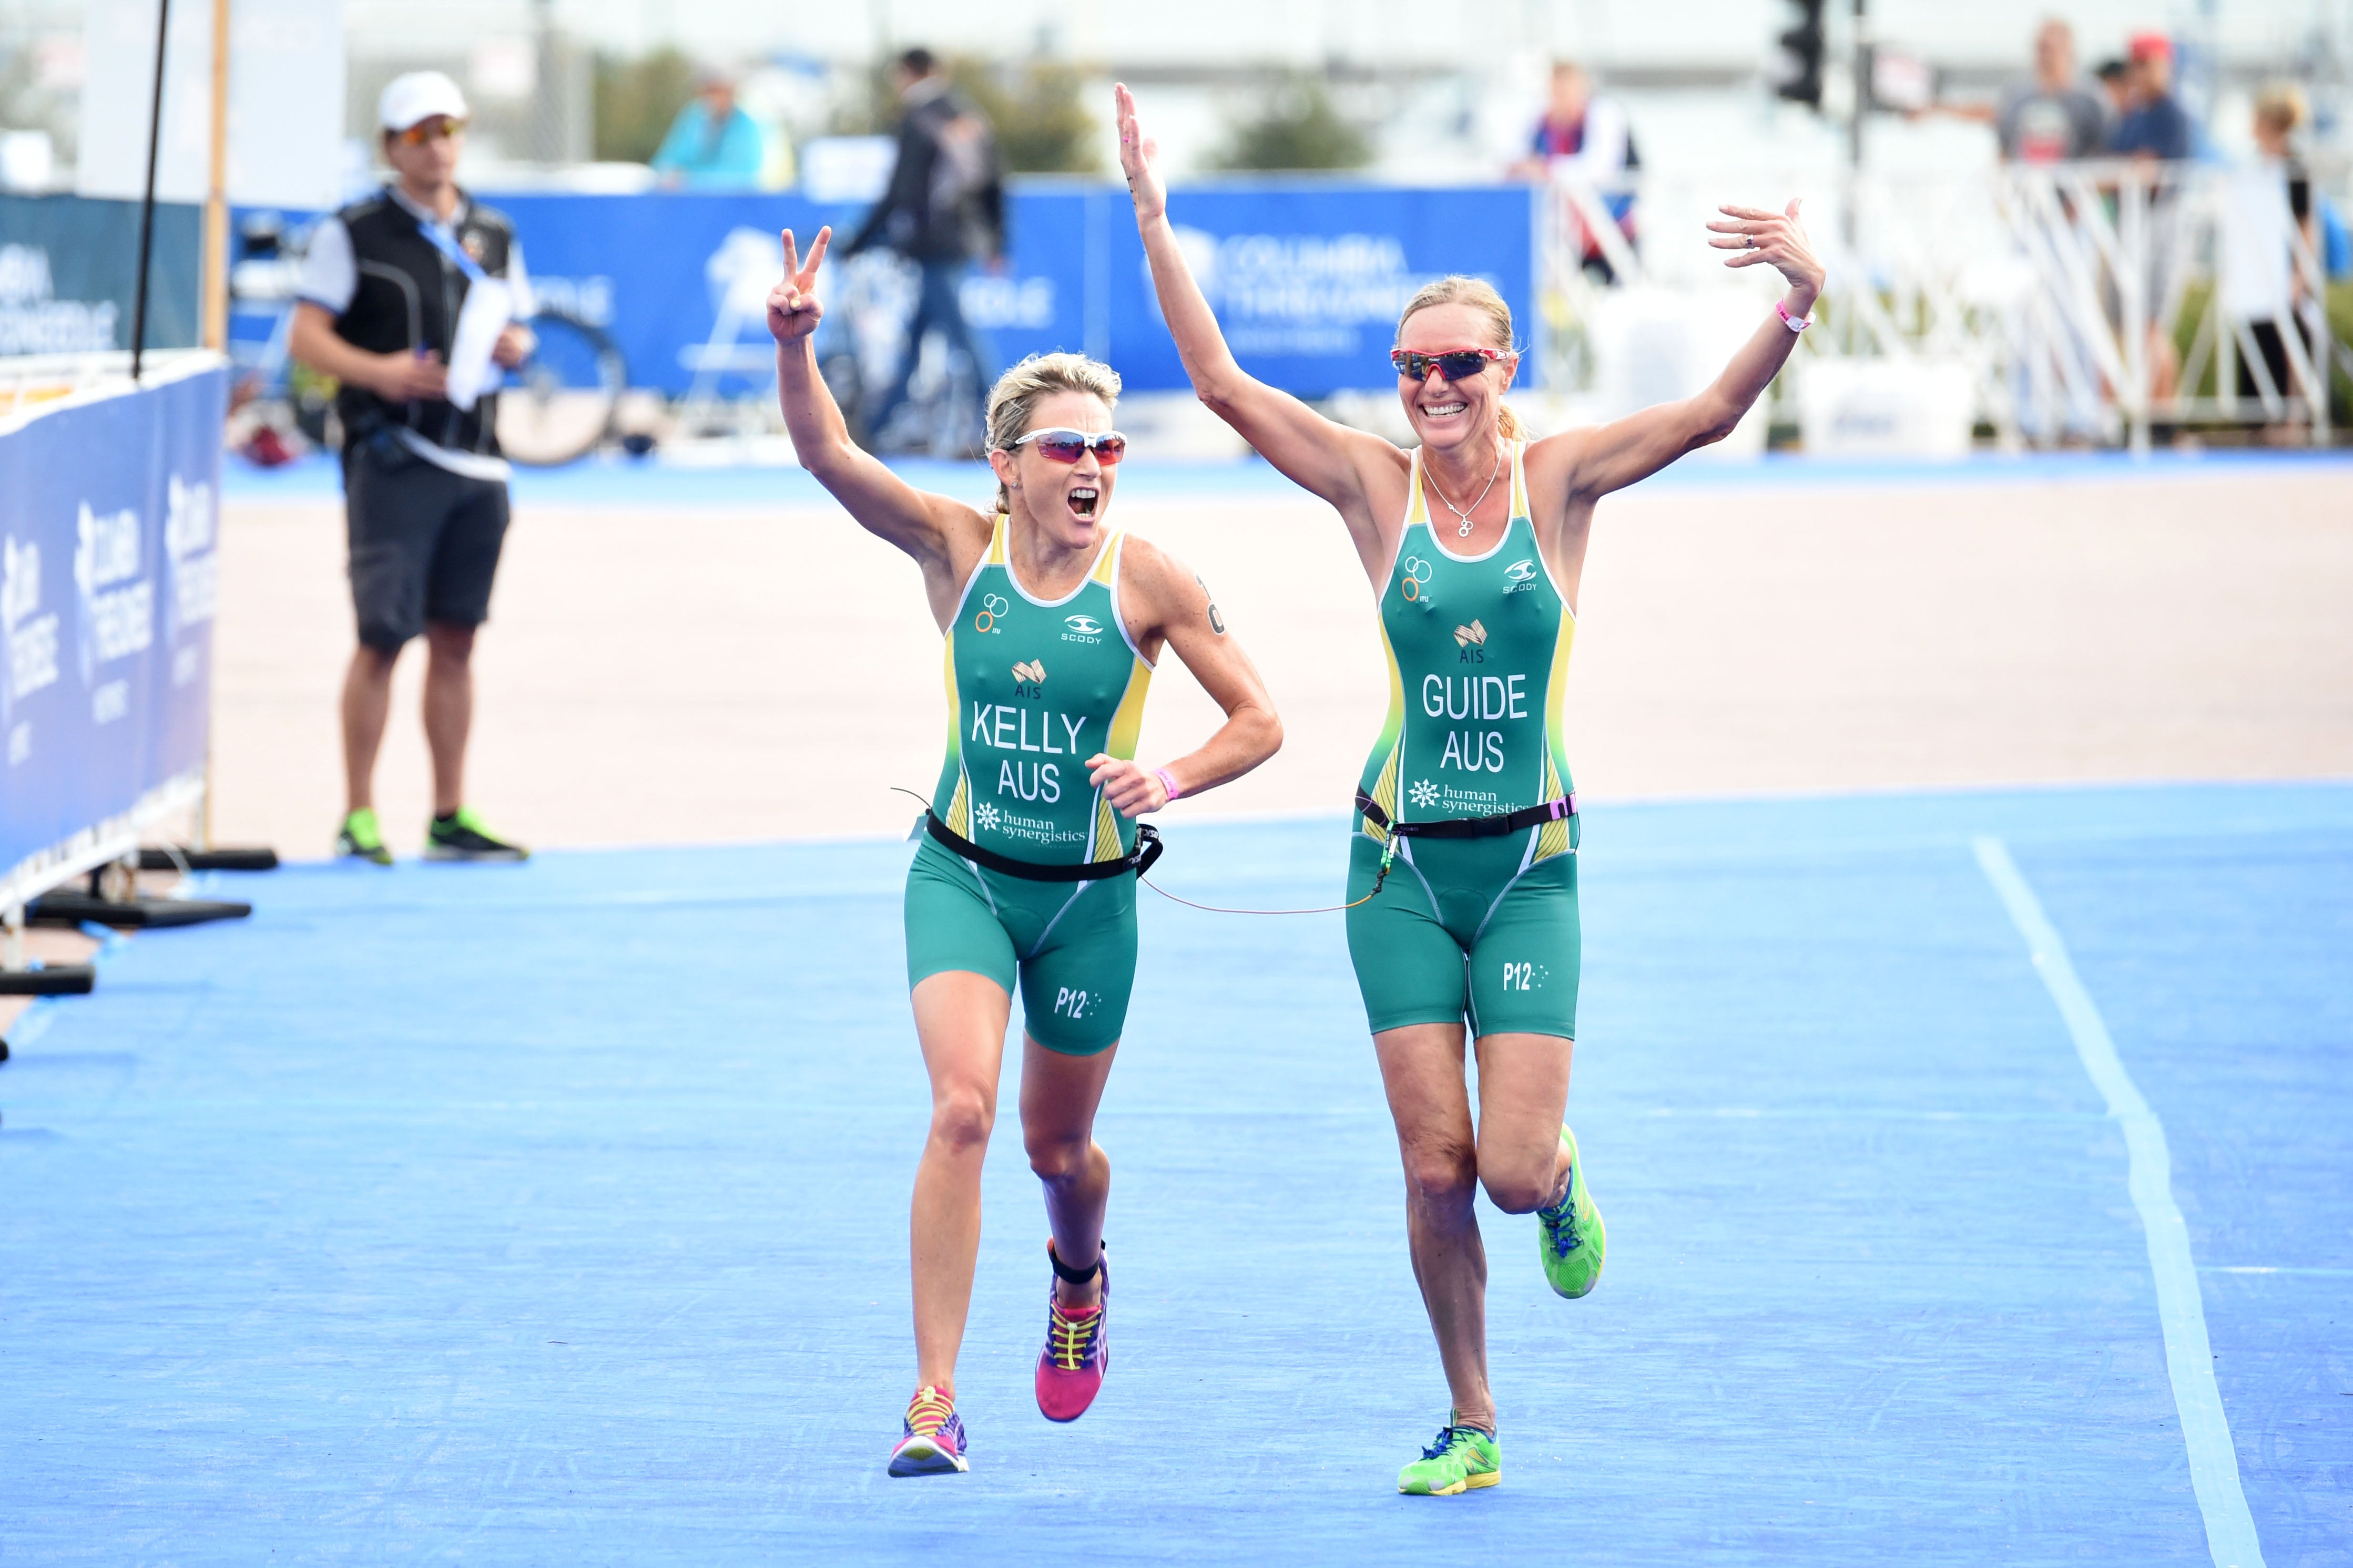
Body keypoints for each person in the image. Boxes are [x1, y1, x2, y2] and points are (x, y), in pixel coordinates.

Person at [1117, 81, 1825, 1497]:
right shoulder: (1372, 489)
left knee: (1503, 1167)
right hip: (1393, 872)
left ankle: (1556, 1180)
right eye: (1410, 367)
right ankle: (1471, 1414)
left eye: (1458, 365)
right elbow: (1222, 385)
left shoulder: (1559, 484)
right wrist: (1151, 216)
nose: (1432, 389)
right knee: (1433, 1165)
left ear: (1505, 369)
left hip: (1525, 874)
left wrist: (1797, 303)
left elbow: (1705, 415)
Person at [763, 226, 1282, 1477]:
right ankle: (933, 1400)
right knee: (961, 1110)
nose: (1092, 464)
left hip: (1089, 905)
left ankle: (1078, 1275)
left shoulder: (1150, 581)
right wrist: (794, 347)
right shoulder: (959, 549)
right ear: (1006, 468)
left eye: (1108, 447)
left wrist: (1167, 776)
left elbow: (1259, 722)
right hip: (964, 876)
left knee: (1058, 1153)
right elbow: (830, 455)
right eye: (1065, 447)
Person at [289, 71, 533, 865]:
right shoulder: (354, 231)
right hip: (393, 459)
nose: (437, 147)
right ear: (392, 147)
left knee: (457, 639)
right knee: (383, 637)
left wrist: (517, 347)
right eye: (420, 134)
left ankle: (448, 814)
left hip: (478, 460)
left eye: (448, 130)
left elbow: (519, 326)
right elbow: (306, 336)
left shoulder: (493, 232)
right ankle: (358, 815)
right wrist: (381, 372)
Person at [839, 48, 1005, 450]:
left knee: (962, 339)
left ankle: (1004, 426)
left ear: (907, 73)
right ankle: (873, 429)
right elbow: (993, 182)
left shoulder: (919, 118)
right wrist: (996, 241)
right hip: (961, 239)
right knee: (916, 341)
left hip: (932, 244)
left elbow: (900, 191)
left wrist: (858, 242)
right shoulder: (966, 114)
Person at [2225, 86, 2319, 438]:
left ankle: (2294, 419)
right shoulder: (2254, 168)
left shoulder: (2294, 169)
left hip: (2285, 272)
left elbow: (2305, 225)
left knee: (2290, 342)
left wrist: (2300, 274)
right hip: (2258, 274)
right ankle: (2263, 420)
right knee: (2261, 340)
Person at [1510, 61, 1638, 284]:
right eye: (1556, 93)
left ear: (1582, 89)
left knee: (1617, 285)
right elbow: (1514, 159)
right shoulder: (1540, 121)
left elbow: (1601, 166)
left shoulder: (1603, 113)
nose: (1561, 99)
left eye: (1566, 92)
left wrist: (1546, 169)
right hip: (1562, 230)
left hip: (1611, 221)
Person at [650, 69, 768, 190]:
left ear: (730, 92)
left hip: (730, 199)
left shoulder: (747, 126)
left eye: (717, 91)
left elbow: (743, 175)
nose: (712, 97)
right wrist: (669, 173)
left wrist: (691, 180)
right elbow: (667, 160)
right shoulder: (693, 118)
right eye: (708, 91)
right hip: (689, 198)